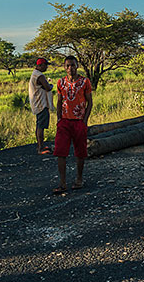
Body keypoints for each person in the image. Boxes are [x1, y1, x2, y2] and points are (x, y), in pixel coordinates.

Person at [53, 56, 92, 194]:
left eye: (73, 65)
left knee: (80, 153)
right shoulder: (60, 82)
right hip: (64, 121)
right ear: (64, 67)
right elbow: (59, 101)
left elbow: (90, 102)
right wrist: (58, 118)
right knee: (60, 152)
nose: (70, 68)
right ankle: (62, 183)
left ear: (77, 66)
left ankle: (79, 179)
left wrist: (85, 120)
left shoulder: (85, 82)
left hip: (79, 122)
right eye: (68, 66)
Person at [29, 58, 53, 155]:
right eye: (45, 65)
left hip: (37, 103)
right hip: (41, 104)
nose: (46, 67)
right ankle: (40, 148)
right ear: (41, 65)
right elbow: (47, 87)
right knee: (40, 126)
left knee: (40, 125)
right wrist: (51, 85)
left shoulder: (35, 74)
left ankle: (41, 145)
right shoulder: (39, 75)